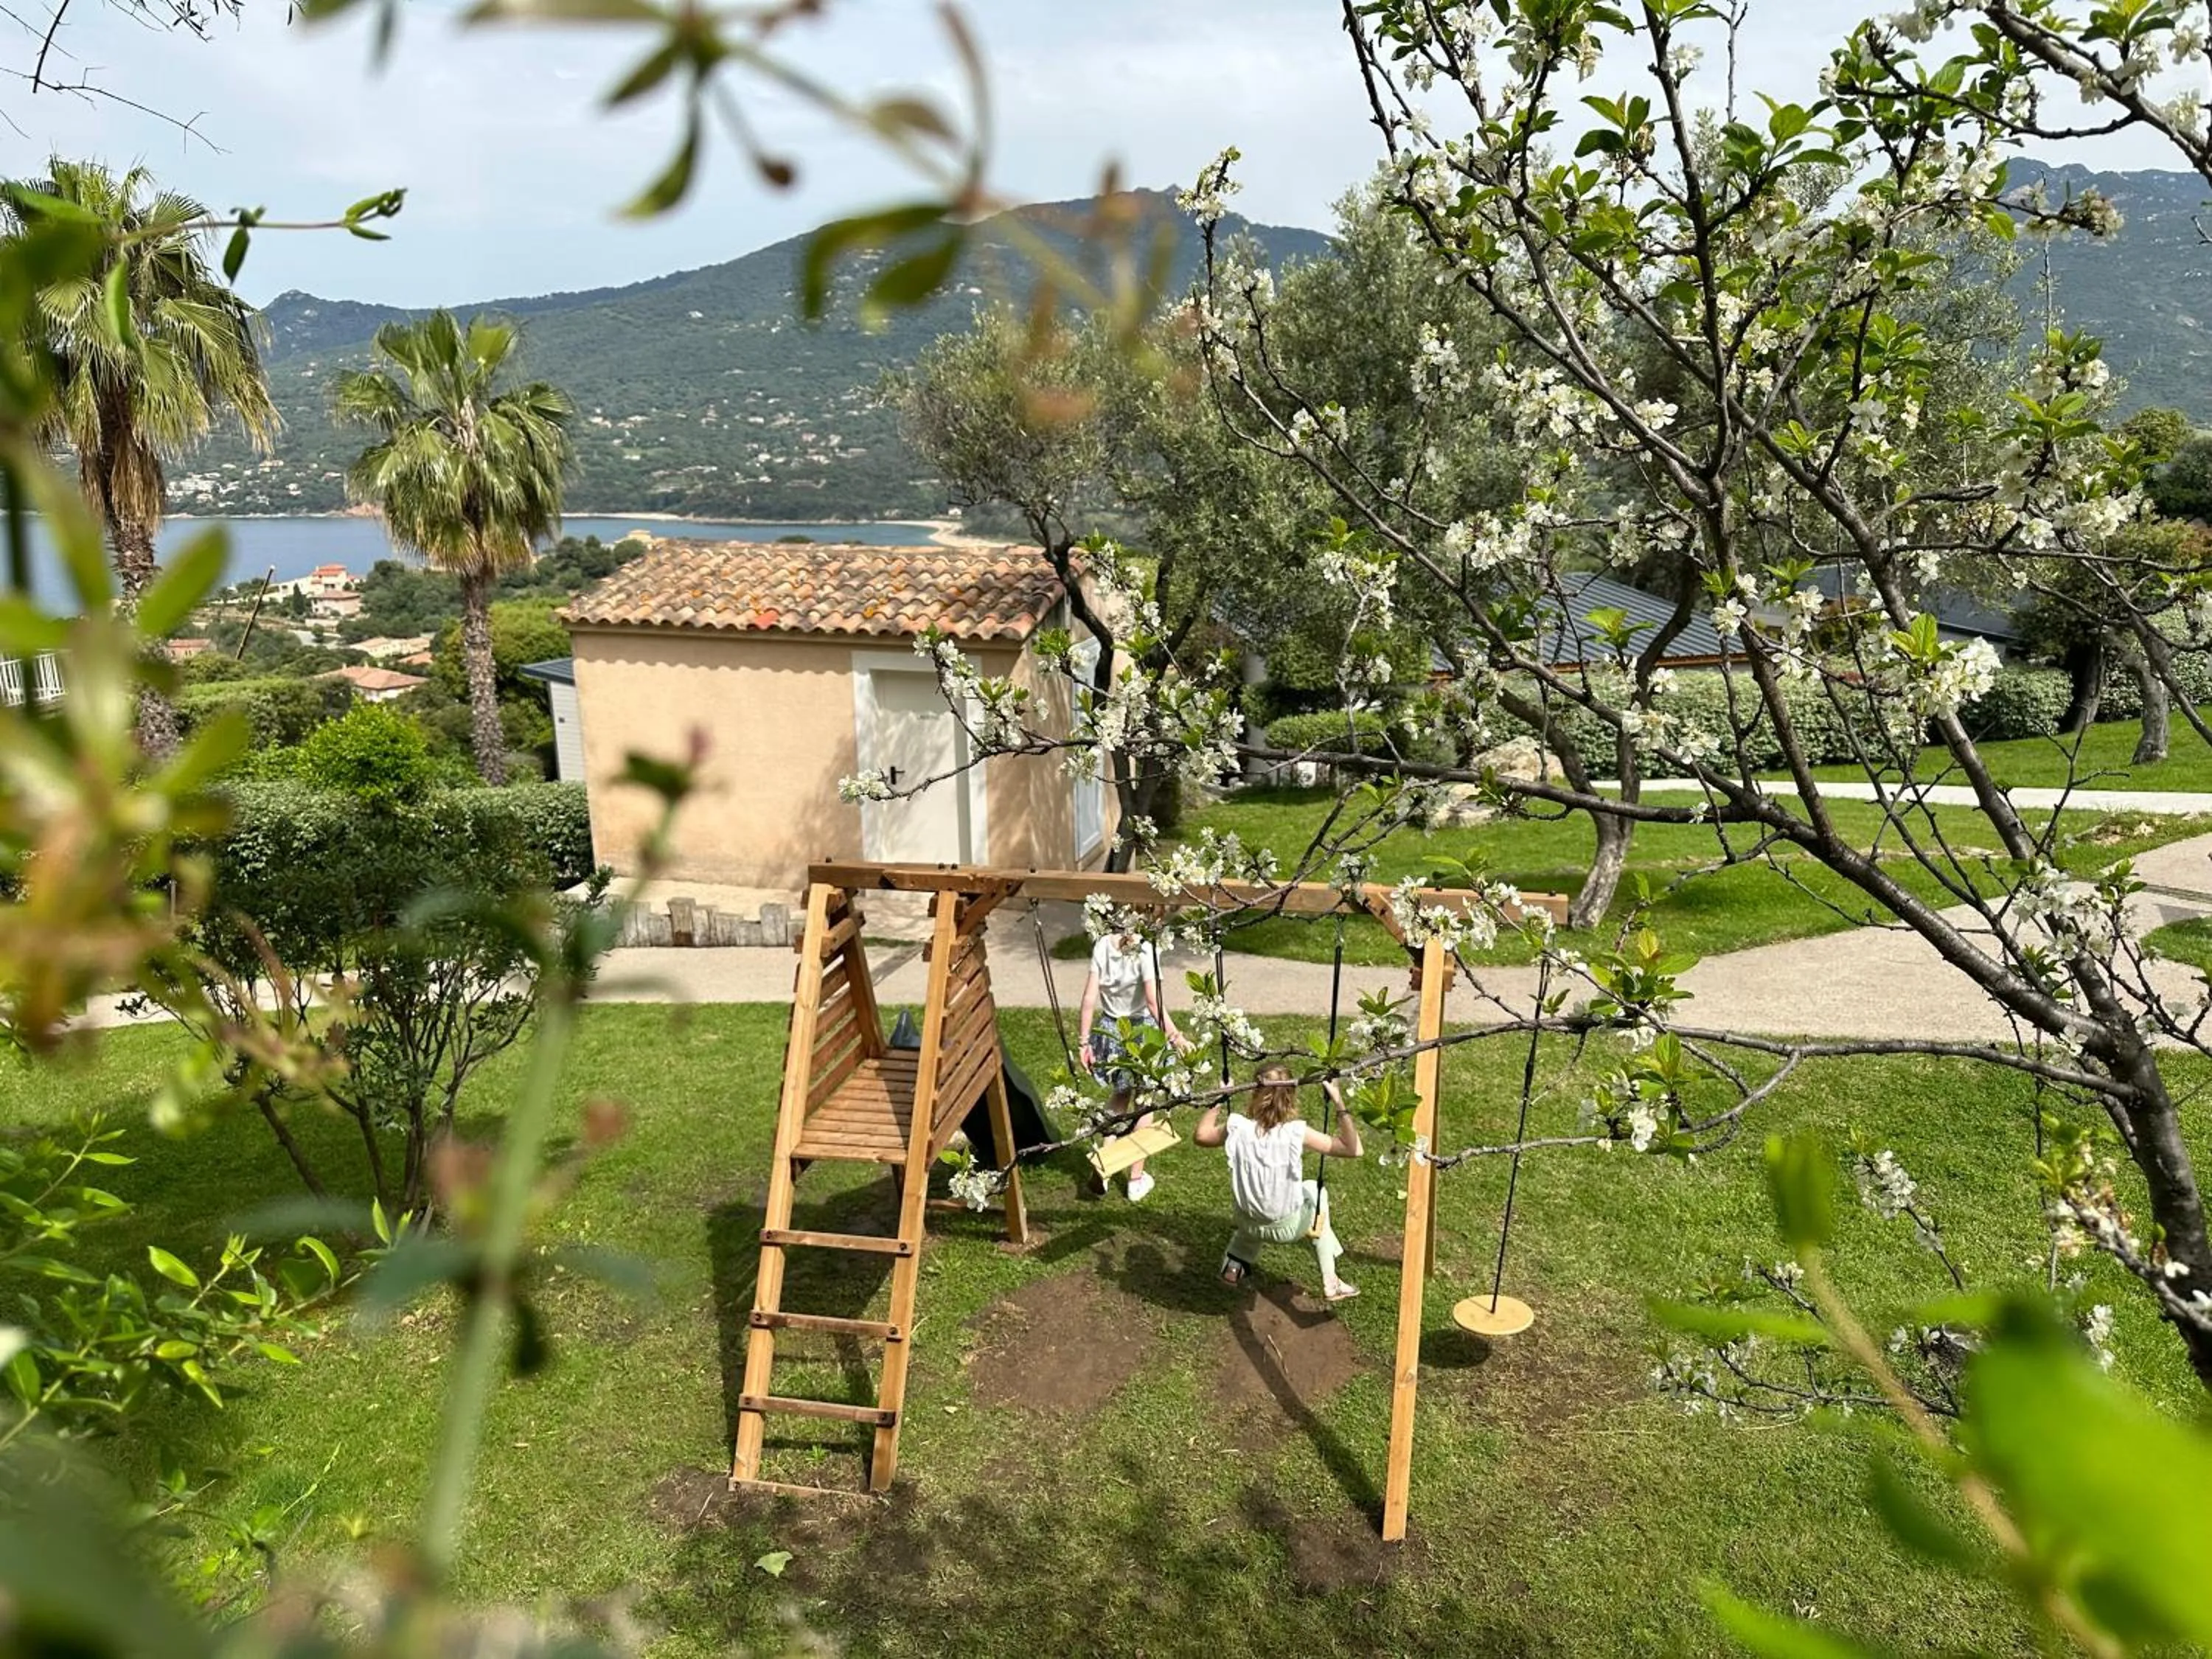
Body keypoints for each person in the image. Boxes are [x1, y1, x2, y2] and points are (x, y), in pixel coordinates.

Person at [1194, 1064, 1362, 1303]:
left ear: (1254, 1093)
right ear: (1290, 1097)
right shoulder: (1296, 1133)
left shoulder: (1237, 1127)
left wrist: (1221, 1098)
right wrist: (1338, 1101)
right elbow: (1353, 1149)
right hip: (1288, 1229)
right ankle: (1331, 1281)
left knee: (1259, 1205)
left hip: (1246, 1222)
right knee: (1316, 1193)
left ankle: (1233, 1266)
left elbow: (1201, 1136)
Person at [1077, 925, 1186, 1201]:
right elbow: (1152, 1002)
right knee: (1144, 1102)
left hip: (1112, 1030)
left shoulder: (1103, 944)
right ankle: (1136, 1180)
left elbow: (1089, 997)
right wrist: (1176, 1037)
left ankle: (1104, 1167)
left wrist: (1084, 1041)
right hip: (1141, 1032)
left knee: (1120, 1095)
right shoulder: (1145, 948)